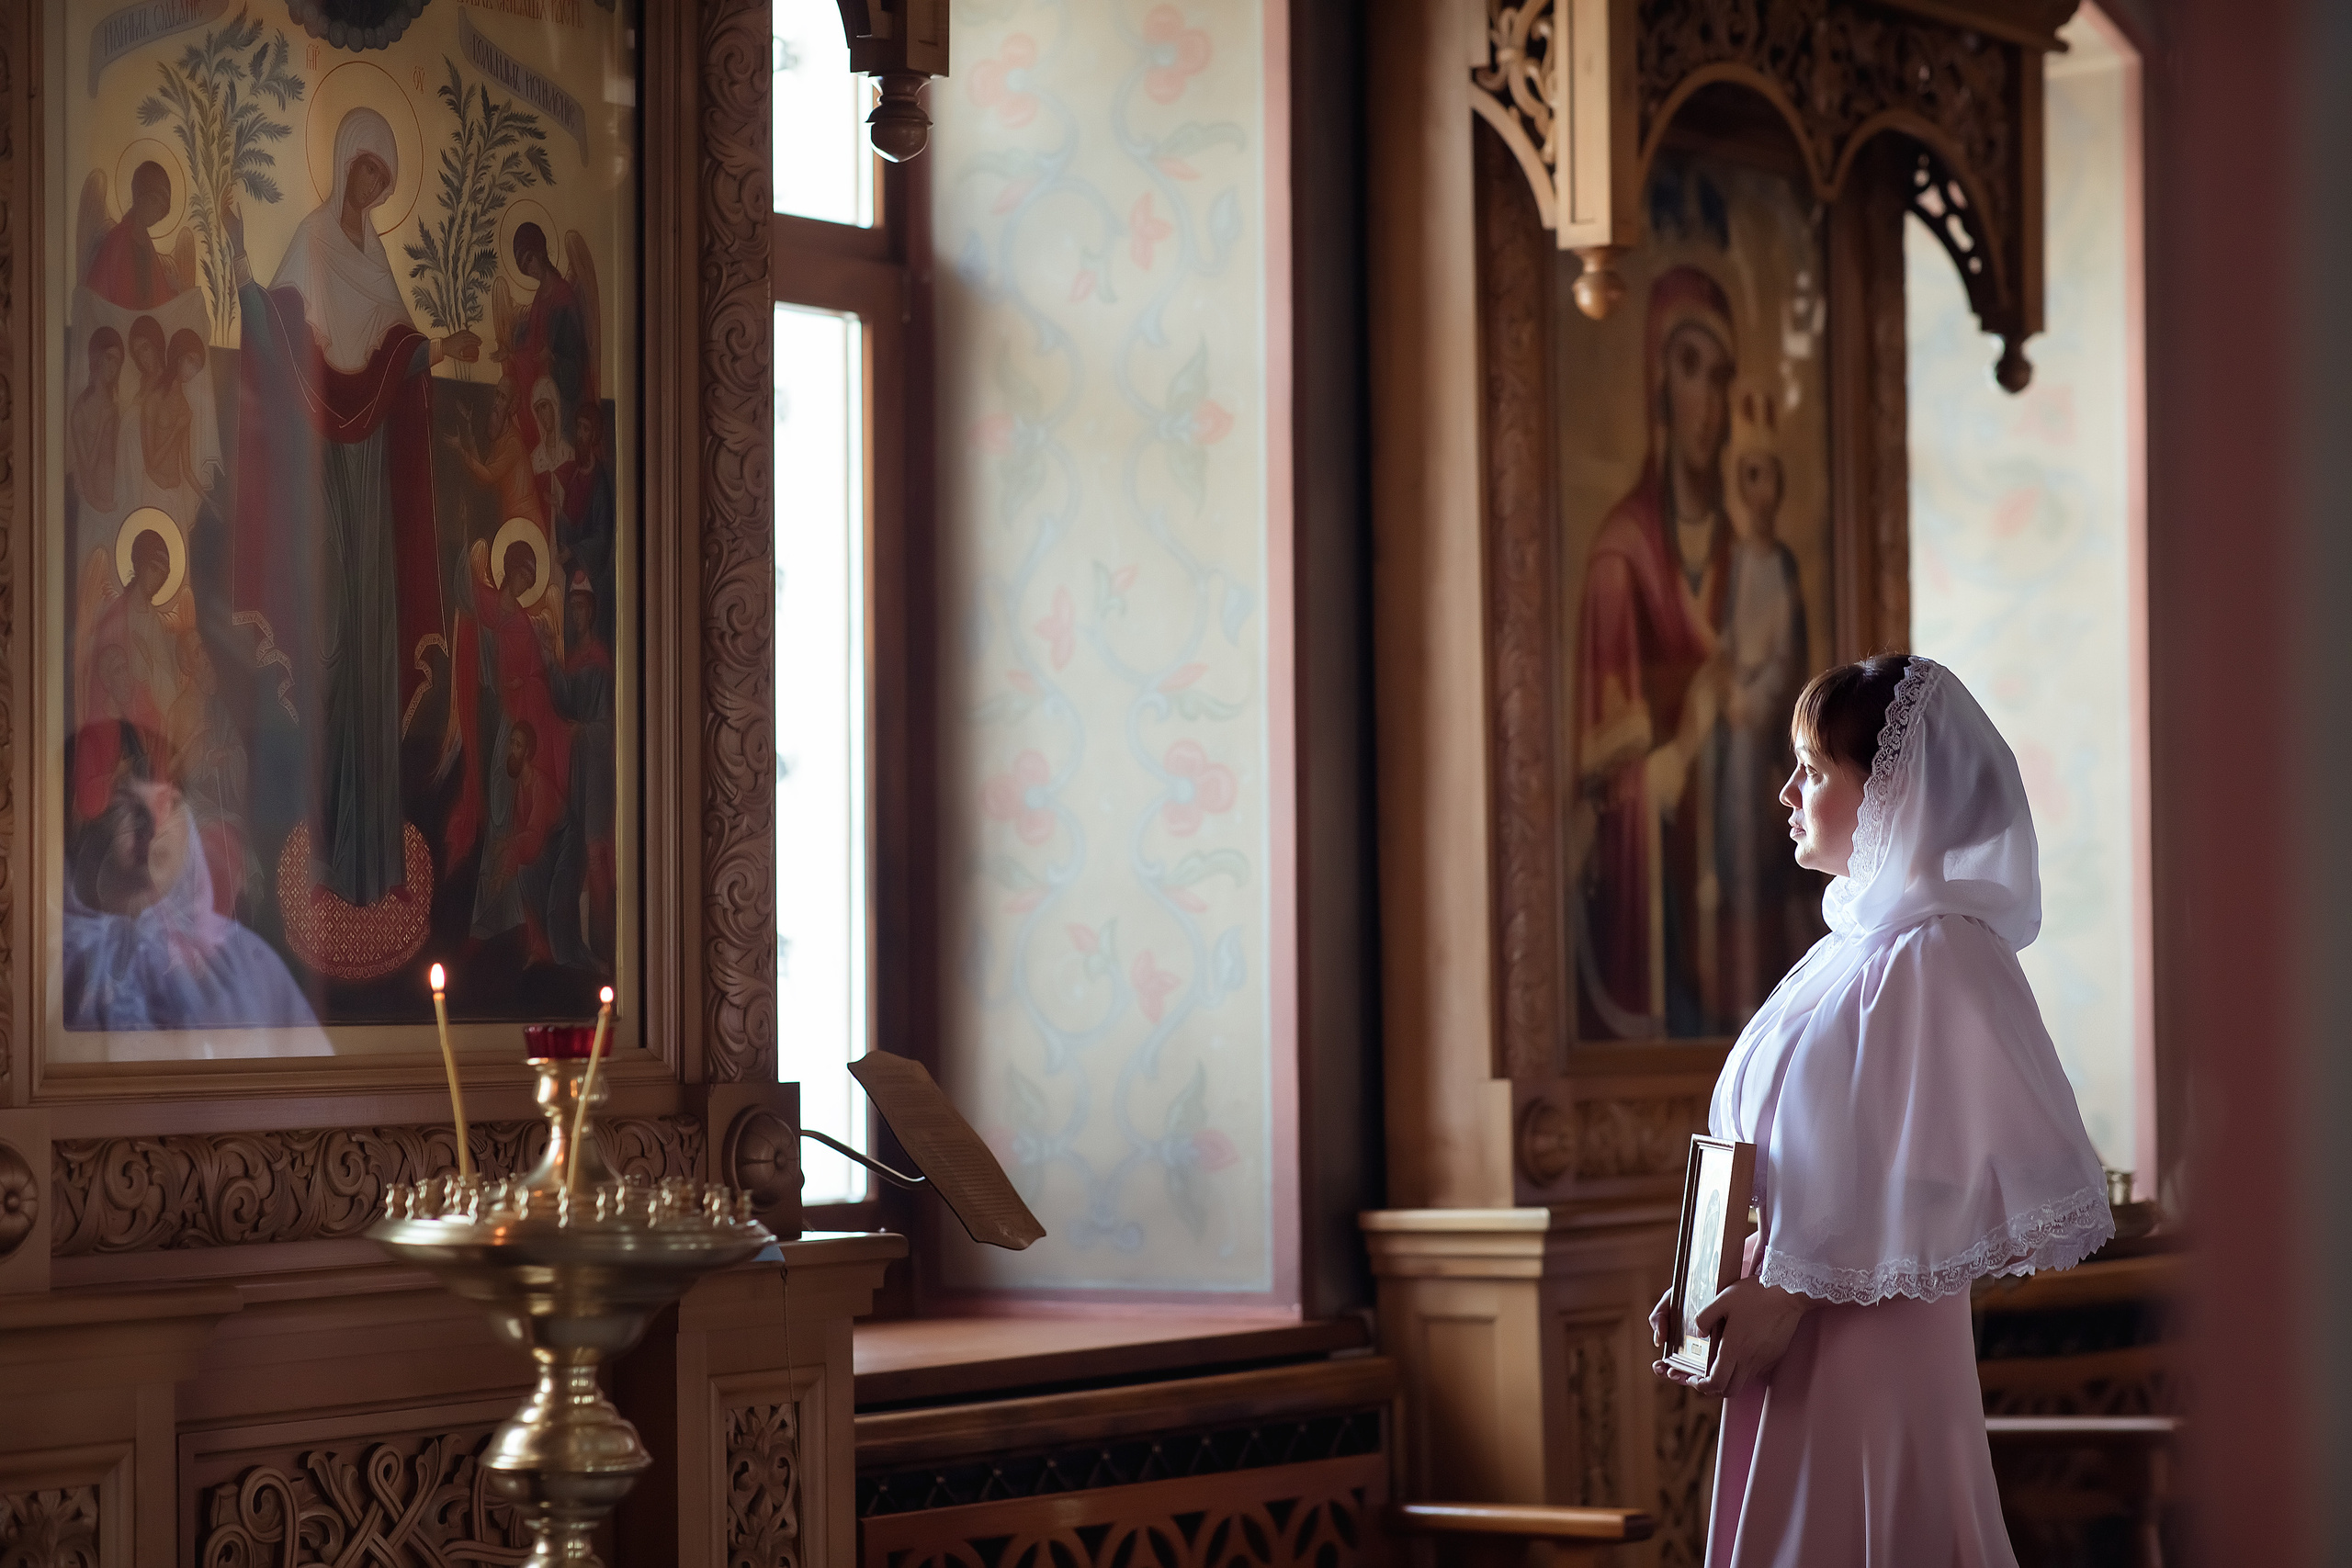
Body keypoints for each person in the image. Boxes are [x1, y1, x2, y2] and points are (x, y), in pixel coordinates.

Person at [1650, 654, 2113, 1567]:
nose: (1787, 792)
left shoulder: (1941, 951)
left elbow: (1945, 1176)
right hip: (1784, 1328)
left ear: (1892, 789)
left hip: (1874, 1343)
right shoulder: (1847, 953)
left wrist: (1782, 1289)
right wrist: (1707, 1278)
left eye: (1815, 770)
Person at [226, 107, 478, 907]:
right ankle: (329, 834)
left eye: (384, 177)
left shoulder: (375, 260)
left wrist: (442, 348)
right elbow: (279, 325)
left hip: (369, 472)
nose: (372, 186)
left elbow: (396, 353)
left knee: (371, 646)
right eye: (366, 169)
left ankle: (369, 857)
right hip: (318, 469)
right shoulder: (310, 243)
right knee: (329, 639)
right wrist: (241, 278)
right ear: (342, 166)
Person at [1574, 265, 1736, 1038]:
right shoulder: (1621, 559)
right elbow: (1605, 790)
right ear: (1658, 383)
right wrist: (1684, 746)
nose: (1710, 402)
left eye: (1722, 375)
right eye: (1689, 368)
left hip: (1738, 907)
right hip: (1658, 921)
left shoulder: (1754, 564)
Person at [61, 766, 318, 1032]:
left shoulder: (249, 963)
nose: (153, 825)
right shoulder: (53, 965)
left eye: (169, 803)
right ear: (81, 829)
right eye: (123, 805)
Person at [1712, 382, 1811, 1021]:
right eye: (1749, 478)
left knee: (1763, 845)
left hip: (1768, 719)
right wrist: (1728, 692)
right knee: (1725, 844)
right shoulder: (1732, 564)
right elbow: (1720, 642)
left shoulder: (1784, 565)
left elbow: (1788, 657)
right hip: (1731, 717)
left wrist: (1759, 699)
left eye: (1768, 477)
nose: (1759, 493)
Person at [68, 328, 125, 515]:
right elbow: (86, 470)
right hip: (94, 506)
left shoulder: (115, 405)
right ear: (97, 358)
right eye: (109, 358)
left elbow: (117, 457)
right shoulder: (80, 411)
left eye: (117, 362)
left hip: (116, 501)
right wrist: (102, 424)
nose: (113, 367)